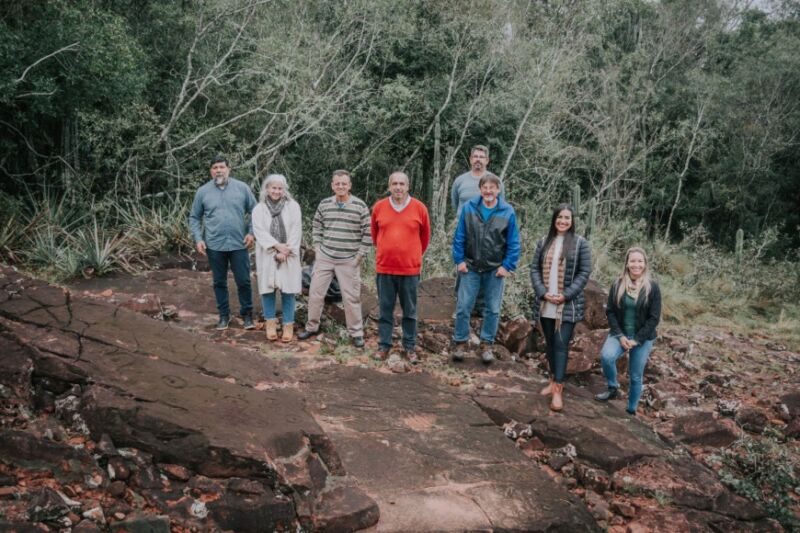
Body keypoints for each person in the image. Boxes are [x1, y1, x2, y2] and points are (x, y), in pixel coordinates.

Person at [298, 170, 372, 347]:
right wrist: (317, 247)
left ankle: (356, 333)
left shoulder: (360, 206)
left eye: (344, 183)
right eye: (337, 183)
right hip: (325, 257)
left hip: (349, 259)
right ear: (332, 185)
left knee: (351, 297)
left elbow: (368, 233)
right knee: (316, 293)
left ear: (349, 186)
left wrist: (360, 256)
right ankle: (312, 327)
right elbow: (316, 225)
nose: (340, 186)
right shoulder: (324, 204)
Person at [452, 174, 520, 364]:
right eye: (485, 187)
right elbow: (459, 237)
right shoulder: (469, 208)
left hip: (494, 269)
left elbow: (514, 243)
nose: (489, 191)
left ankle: (486, 344)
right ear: (480, 190)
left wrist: (507, 266)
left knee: (492, 309)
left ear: (498, 190)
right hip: (471, 266)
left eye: (492, 187)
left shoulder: (507, 211)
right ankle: (460, 343)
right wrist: (459, 260)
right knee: (464, 306)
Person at [530, 204, 591, 412]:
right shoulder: (544, 242)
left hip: (567, 304)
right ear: (554, 219)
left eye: (567, 218)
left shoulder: (580, 244)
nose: (563, 221)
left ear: (572, 221)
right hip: (546, 302)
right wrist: (542, 292)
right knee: (549, 344)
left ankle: (558, 389)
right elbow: (534, 269)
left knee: (560, 344)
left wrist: (566, 295)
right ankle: (551, 380)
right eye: (560, 217)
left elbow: (584, 273)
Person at [189, 155, 257, 330]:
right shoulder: (203, 192)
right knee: (219, 282)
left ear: (228, 169)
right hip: (214, 245)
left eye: (221, 167)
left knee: (243, 281)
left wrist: (251, 233)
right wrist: (198, 238)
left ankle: (247, 315)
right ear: (210, 171)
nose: (218, 170)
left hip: (239, 243)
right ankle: (224, 316)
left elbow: (256, 211)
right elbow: (195, 217)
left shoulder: (242, 188)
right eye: (214, 168)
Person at [370, 171, 431, 364]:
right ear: (389, 186)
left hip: (409, 270)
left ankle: (410, 346)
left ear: (408, 186)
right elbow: (374, 235)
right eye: (394, 183)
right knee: (385, 310)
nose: (398, 187)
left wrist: (411, 255)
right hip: (385, 268)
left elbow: (425, 237)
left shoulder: (419, 208)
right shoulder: (379, 207)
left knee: (410, 311)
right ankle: (384, 346)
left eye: (401, 184)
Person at [594, 247, 662, 416]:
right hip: (621, 333)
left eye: (640, 261)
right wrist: (620, 335)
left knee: (635, 375)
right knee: (607, 357)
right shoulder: (618, 284)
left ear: (645, 264)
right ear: (627, 263)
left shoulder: (652, 287)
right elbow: (610, 311)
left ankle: (631, 410)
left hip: (643, 338)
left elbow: (654, 319)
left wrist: (637, 340)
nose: (636, 264)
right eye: (633, 261)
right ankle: (612, 387)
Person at [252, 174, 302, 342]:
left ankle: (288, 325)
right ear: (267, 189)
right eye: (273, 187)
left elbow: (296, 229)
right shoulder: (259, 208)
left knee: (288, 290)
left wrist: (285, 250)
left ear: (284, 189)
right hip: (268, 253)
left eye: (280, 188)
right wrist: (276, 246)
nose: (276, 191)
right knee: (268, 290)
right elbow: (259, 231)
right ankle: (270, 324)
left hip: (289, 253)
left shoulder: (292, 206)